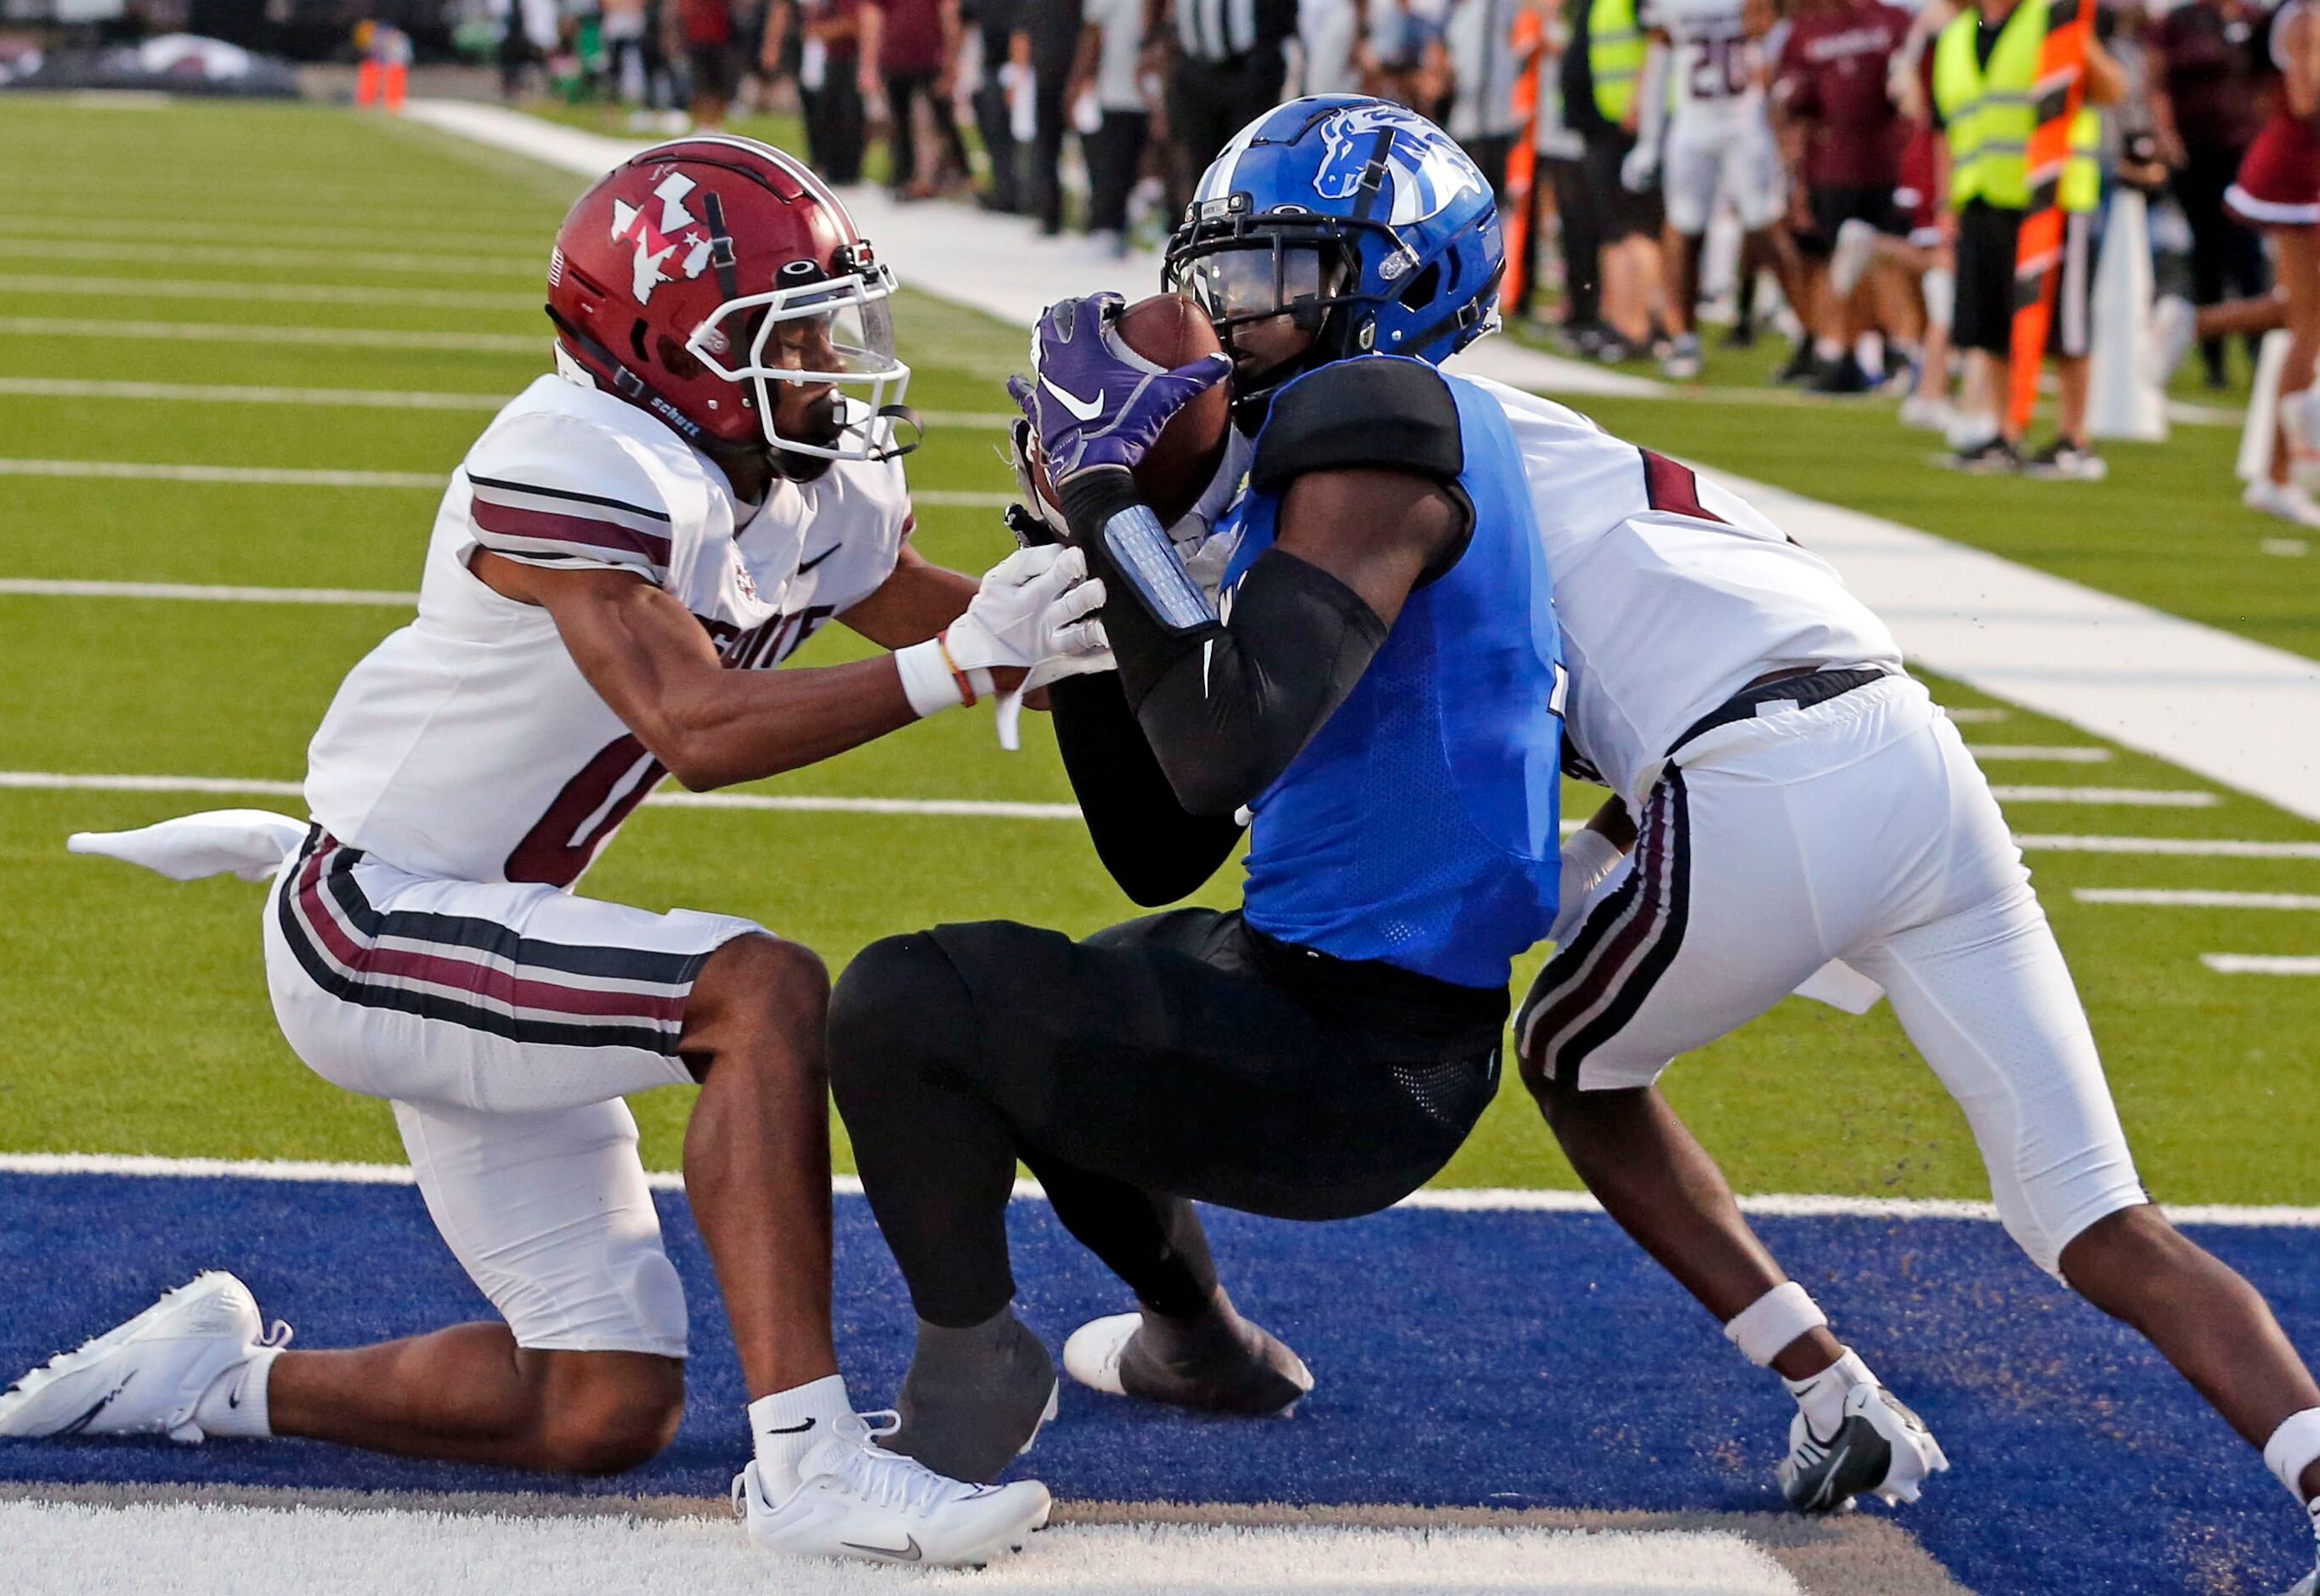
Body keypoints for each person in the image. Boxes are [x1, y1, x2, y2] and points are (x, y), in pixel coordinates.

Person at [0, 137, 1080, 1571]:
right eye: (791, 333)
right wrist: (958, 667)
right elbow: (694, 722)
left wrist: (1144, 591)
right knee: (758, 992)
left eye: (829, 325)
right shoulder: (579, 458)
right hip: (371, 927)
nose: (829, 362)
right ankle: (812, 1468)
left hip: (491, 930)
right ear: (665, 344)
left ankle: (211, 1376)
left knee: (598, 1404)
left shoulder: (797, 481)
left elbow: (1001, 641)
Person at [825, 98, 1570, 1486]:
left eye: (1274, 275)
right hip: (1331, 994)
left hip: (1368, 1055)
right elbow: (1162, 836)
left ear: (1401, 279)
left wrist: (1110, 496)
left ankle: (963, 1400)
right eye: (1216, 276)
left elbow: (1224, 743)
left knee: (903, 1002)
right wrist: (1084, 543)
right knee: (1078, 985)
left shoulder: (1383, 407)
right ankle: (1201, 1343)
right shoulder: (1350, 442)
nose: (1229, 318)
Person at [1930, 0, 2124, 478]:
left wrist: (2078, 44)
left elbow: (2112, 89)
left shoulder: (2051, 17)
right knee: (1992, 324)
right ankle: (2005, 431)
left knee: (2065, 323)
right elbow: (1945, 125)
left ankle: (2073, 438)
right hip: (1980, 193)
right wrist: (1945, 200)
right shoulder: (1956, 35)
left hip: (2051, 194)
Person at [1626, 0, 1788, 378]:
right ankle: (1683, 334)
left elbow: (1777, 37)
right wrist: (1650, 139)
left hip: (1746, 117)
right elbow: (1660, 55)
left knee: (1765, 222)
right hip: (1694, 120)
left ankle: (1798, 325)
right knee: (1684, 226)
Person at [1772, 0, 1913, 392]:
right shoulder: (1807, 31)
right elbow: (1791, 109)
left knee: (1886, 261)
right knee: (1836, 261)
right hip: (1832, 166)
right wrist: (1794, 181)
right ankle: (1844, 351)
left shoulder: (1895, 21)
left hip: (1888, 163)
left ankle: (1893, 347)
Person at [2225, 0, 2320, 524]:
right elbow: (2306, 100)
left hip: (2303, 169)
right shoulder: (2306, 18)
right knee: (2308, 321)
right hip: (2297, 174)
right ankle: (2280, 472)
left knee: (2301, 311)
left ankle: (2188, 324)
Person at [2148, 0, 2270, 389]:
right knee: (2206, 256)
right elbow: (2157, 83)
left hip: (2245, 154)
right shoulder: (2182, 21)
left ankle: (2263, 355)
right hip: (2195, 152)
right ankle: (2213, 359)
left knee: (2247, 255)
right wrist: (2167, 137)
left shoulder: (2255, 20)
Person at [1564, 0, 1667, 359]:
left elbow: (1659, 42)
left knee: (1634, 228)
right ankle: (1619, 322)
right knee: (1611, 230)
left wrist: (1641, 102)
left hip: (1626, 128)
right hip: (1601, 126)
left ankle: (1643, 325)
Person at [1072, 0, 1154, 252]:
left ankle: (1109, 231)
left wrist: (1079, 80)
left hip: (1119, 91)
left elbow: (1093, 36)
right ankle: (1111, 230)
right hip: (1132, 89)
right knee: (1122, 166)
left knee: (1112, 165)